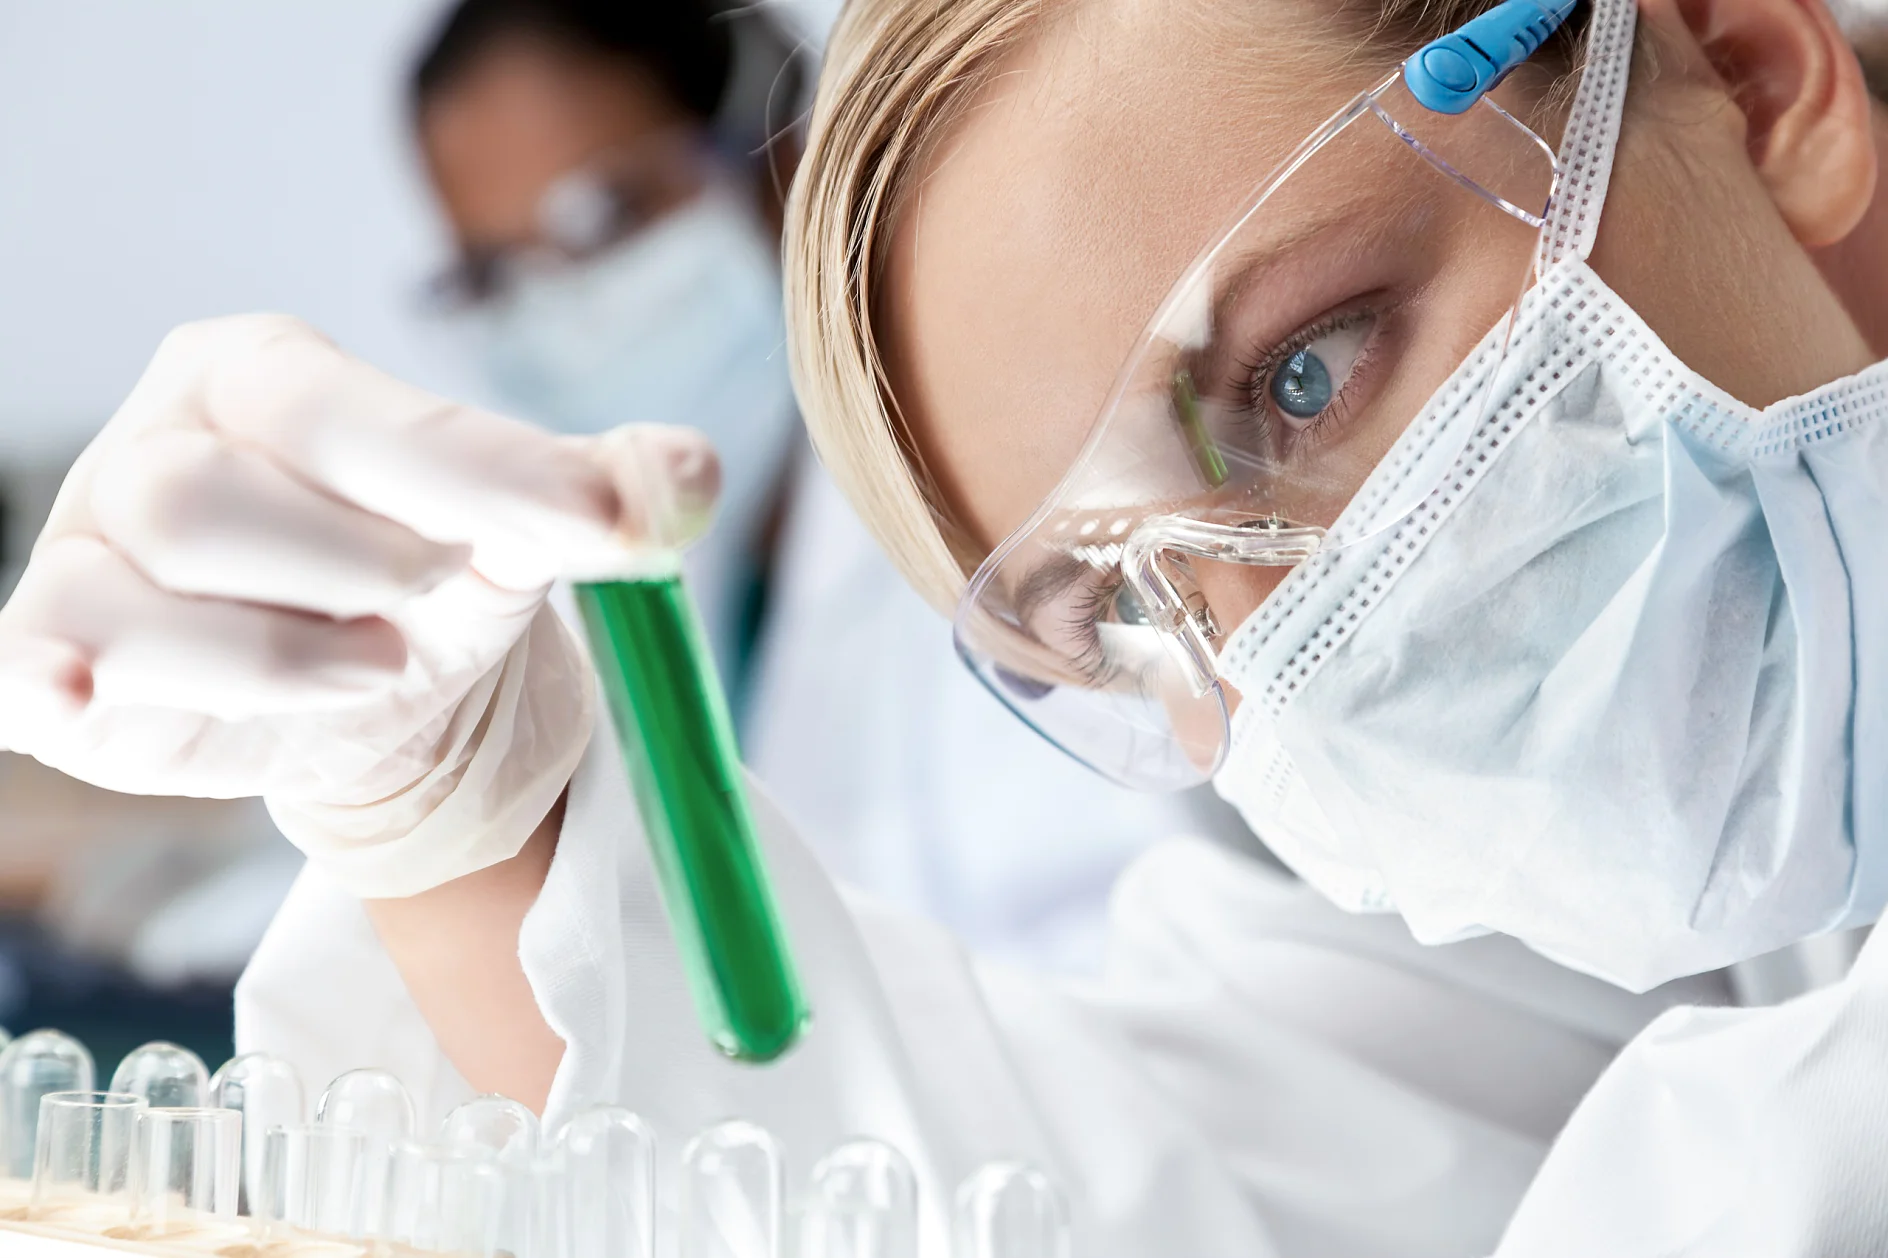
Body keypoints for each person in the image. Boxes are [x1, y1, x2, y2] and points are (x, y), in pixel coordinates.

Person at [1, 0, 1887, 1253]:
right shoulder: (1702, 878)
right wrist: (450, 824)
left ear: (1750, 75)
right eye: (1121, 599)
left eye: (1306, 373)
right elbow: (1165, 1192)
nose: (1282, 650)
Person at [406, 0, 1248, 971]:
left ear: (779, 151)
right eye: (495, 274)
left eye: (605, 216)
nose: (564, 307)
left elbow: (1177, 945)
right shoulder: (666, 559)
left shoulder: (1020, 468)